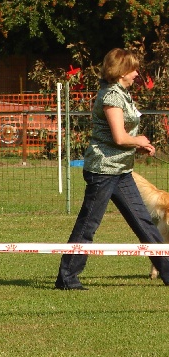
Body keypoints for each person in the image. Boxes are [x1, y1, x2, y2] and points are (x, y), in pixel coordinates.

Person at [55, 48, 169, 290]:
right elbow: (119, 137)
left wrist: (136, 147)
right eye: (134, 69)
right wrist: (138, 141)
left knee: (144, 224)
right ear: (121, 71)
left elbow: (120, 138)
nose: (137, 73)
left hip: (121, 170)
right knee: (89, 224)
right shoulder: (111, 96)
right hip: (103, 171)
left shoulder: (122, 94)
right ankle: (67, 277)